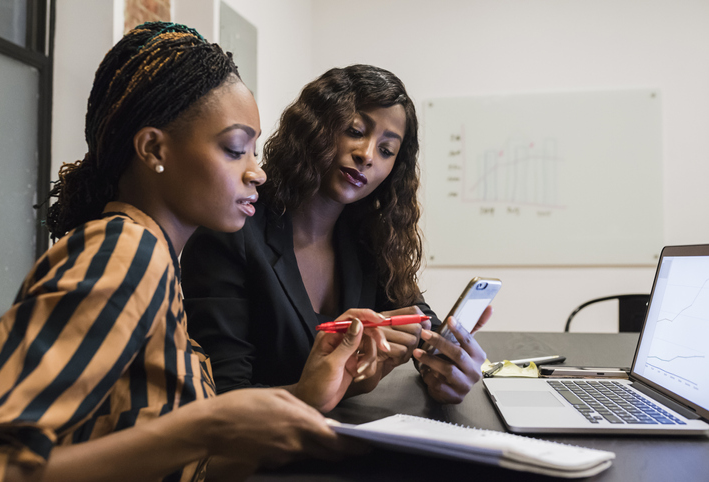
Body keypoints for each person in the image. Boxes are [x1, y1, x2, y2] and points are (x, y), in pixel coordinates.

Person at [0, 22, 382, 482]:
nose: (258, 174)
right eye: (236, 150)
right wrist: (203, 428)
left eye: (255, 152)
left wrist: (304, 396)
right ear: (154, 148)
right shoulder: (122, 255)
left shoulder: (155, 260)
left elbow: (177, 464)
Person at [181, 64, 492, 406]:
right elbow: (221, 400)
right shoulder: (231, 232)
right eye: (355, 131)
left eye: (387, 150)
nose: (367, 155)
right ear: (314, 127)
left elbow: (416, 317)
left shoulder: (369, 237)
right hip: (264, 453)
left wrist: (442, 361)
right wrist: (327, 390)